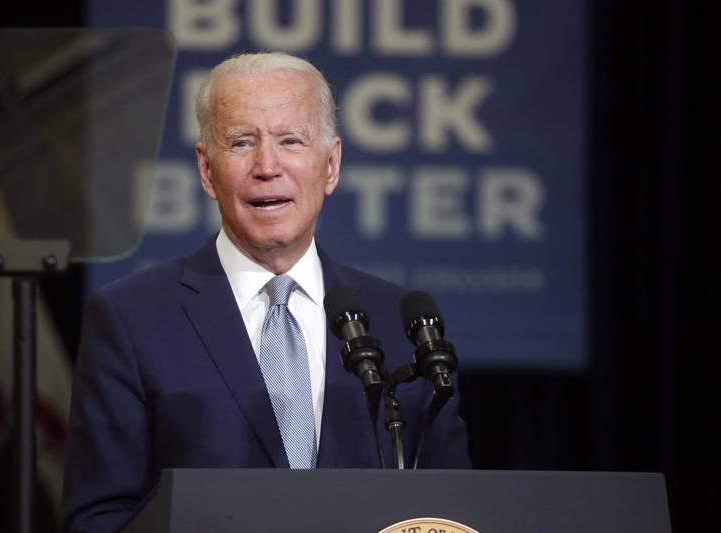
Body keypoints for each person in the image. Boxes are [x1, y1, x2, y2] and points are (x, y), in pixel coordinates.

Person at [61, 52, 470, 532]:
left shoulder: (400, 325)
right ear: (207, 170)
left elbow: (453, 510)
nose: (266, 166)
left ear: (331, 165)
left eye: (290, 141)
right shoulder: (131, 319)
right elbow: (97, 519)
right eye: (240, 143)